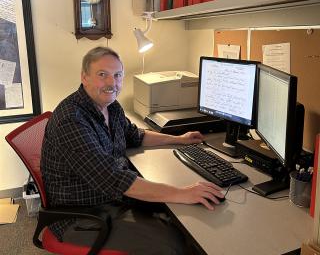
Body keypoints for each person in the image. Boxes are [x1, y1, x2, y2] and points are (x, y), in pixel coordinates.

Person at [41, 46, 224, 254]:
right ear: (85, 77)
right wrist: (183, 193)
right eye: (103, 75)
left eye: (117, 75)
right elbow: (114, 180)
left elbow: (136, 136)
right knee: (174, 244)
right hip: (82, 217)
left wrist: (178, 139)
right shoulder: (72, 120)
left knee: (181, 220)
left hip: (111, 200)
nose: (112, 83)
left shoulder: (111, 107)